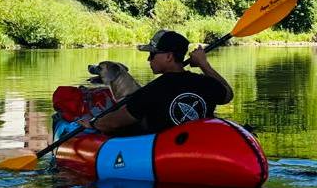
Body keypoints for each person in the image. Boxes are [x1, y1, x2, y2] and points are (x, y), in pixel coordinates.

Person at [87, 29, 233, 135]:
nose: (149, 59)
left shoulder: (152, 90)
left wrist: (94, 123)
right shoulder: (205, 83)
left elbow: (114, 122)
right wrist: (203, 64)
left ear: (169, 56)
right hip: (202, 147)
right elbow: (227, 94)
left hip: (163, 156)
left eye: (152, 54)